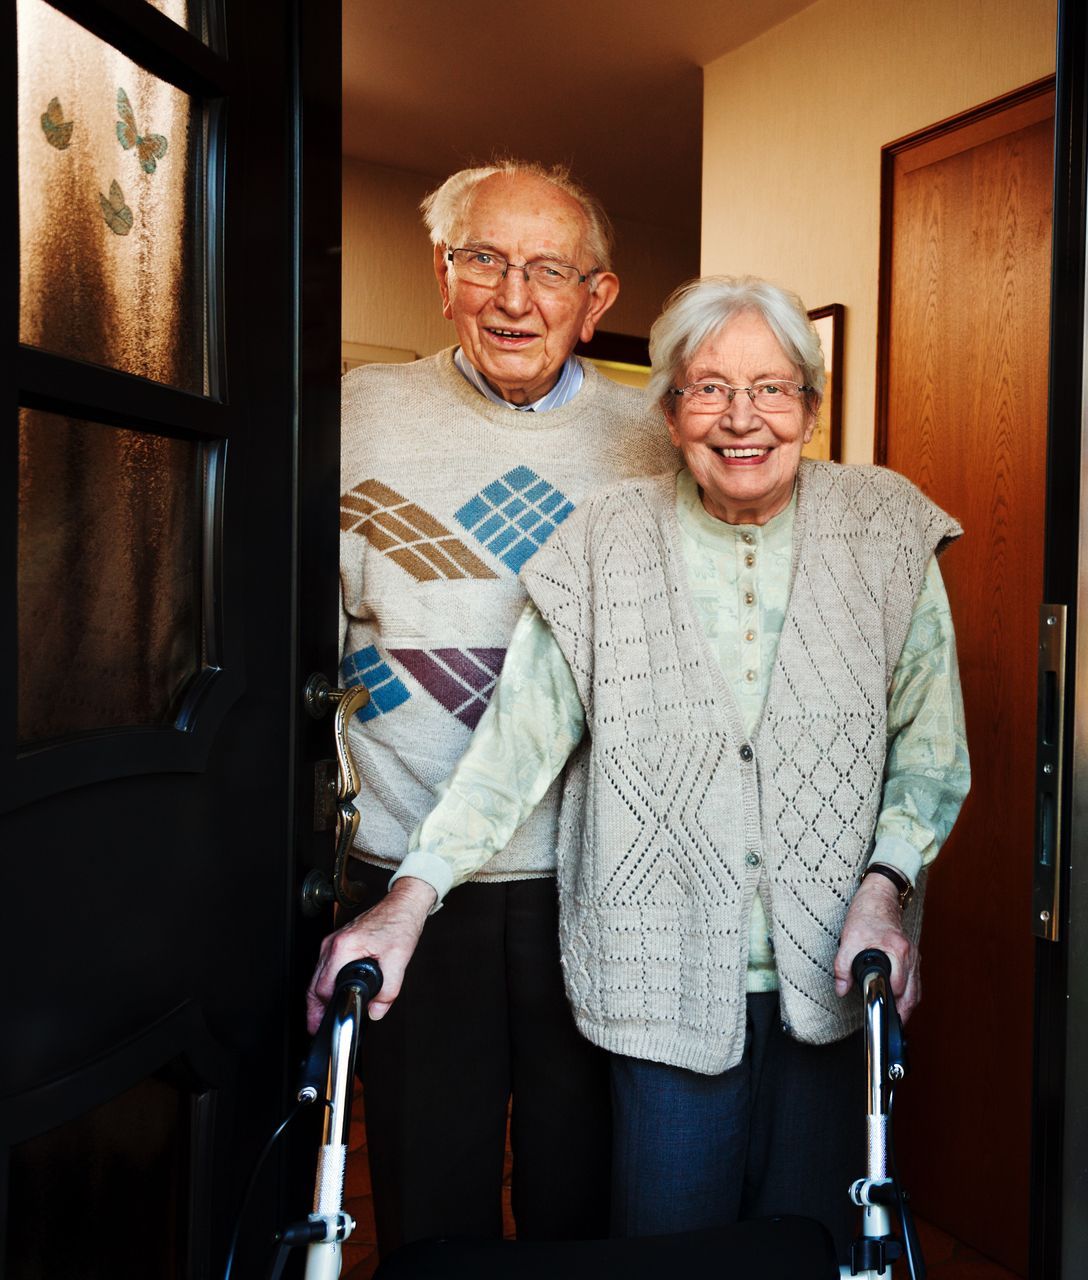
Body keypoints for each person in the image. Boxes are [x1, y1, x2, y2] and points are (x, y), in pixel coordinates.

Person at [309, 274, 969, 1251]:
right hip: (658, 984)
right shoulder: (600, 544)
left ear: (812, 405)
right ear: (667, 410)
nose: (741, 418)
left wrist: (887, 884)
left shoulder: (888, 528)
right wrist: (407, 899)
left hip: (837, 976)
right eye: (707, 387)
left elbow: (932, 747)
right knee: (668, 1245)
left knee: (818, 1247)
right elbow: (515, 746)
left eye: (773, 388)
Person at [312, 159, 677, 1251]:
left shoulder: (655, 440)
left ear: (597, 297)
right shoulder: (349, 412)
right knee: (431, 1193)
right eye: (484, 260)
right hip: (411, 870)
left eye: (547, 270)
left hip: (595, 871)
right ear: (442, 274)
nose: (513, 298)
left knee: (584, 1191)